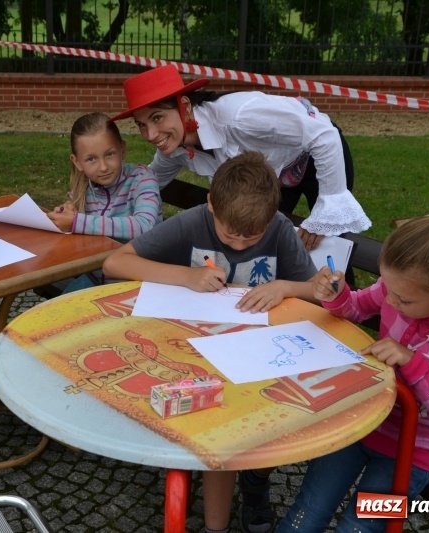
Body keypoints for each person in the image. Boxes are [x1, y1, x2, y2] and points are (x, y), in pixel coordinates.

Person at [103, 150, 318, 533]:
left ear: (269, 218)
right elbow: (115, 263)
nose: (237, 244)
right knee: (218, 426)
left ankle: (254, 481)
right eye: (228, 234)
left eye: (250, 236)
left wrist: (284, 286)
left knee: (255, 422)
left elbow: (320, 292)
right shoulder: (193, 222)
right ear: (211, 205)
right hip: (193, 351)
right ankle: (213, 519)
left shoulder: (280, 228)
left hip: (256, 356)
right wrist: (185, 276)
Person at [275, 211, 429, 533]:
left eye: (402, 300)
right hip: (358, 423)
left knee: (359, 528)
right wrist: (337, 296)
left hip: (413, 451)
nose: (389, 300)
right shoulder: (403, 287)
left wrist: (413, 363)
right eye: (386, 287)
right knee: (306, 513)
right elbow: (358, 307)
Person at [108, 64, 371, 253]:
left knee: (330, 243)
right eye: (141, 125)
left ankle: (343, 304)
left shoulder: (239, 115)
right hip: (269, 176)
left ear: (185, 106)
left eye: (157, 118)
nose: (151, 134)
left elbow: (323, 135)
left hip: (317, 154)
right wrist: (104, 204)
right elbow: (150, 181)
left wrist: (326, 214)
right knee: (266, 240)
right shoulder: (174, 148)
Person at [46, 112, 162, 291]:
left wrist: (77, 222)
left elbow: (143, 225)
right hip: (95, 275)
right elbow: (76, 221)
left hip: (140, 280)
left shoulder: (142, 179)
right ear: (77, 162)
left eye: (109, 154)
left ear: (122, 150)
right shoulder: (84, 186)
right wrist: (67, 211)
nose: (103, 166)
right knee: (55, 312)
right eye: (91, 159)